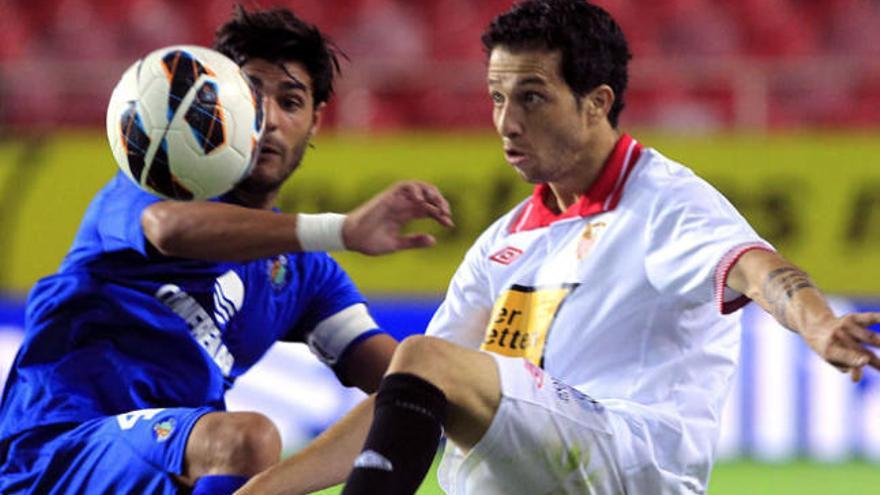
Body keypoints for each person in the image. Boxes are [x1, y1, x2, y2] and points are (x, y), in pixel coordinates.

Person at [237, 1, 880, 494]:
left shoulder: (663, 200)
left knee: (429, 358)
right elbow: (407, 391)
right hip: (544, 468)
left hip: (630, 461)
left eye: (532, 97)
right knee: (425, 370)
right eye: (496, 98)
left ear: (597, 103)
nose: (506, 122)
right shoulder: (504, 242)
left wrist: (818, 323)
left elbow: (755, 266)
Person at [0, 6, 452, 495]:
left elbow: (406, 387)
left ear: (316, 121)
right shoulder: (155, 180)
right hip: (55, 450)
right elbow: (168, 228)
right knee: (247, 439)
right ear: (219, 102)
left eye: (292, 102)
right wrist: (340, 230)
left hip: (170, 465)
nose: (271, 120)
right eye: (253, 94)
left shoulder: (305, 276)